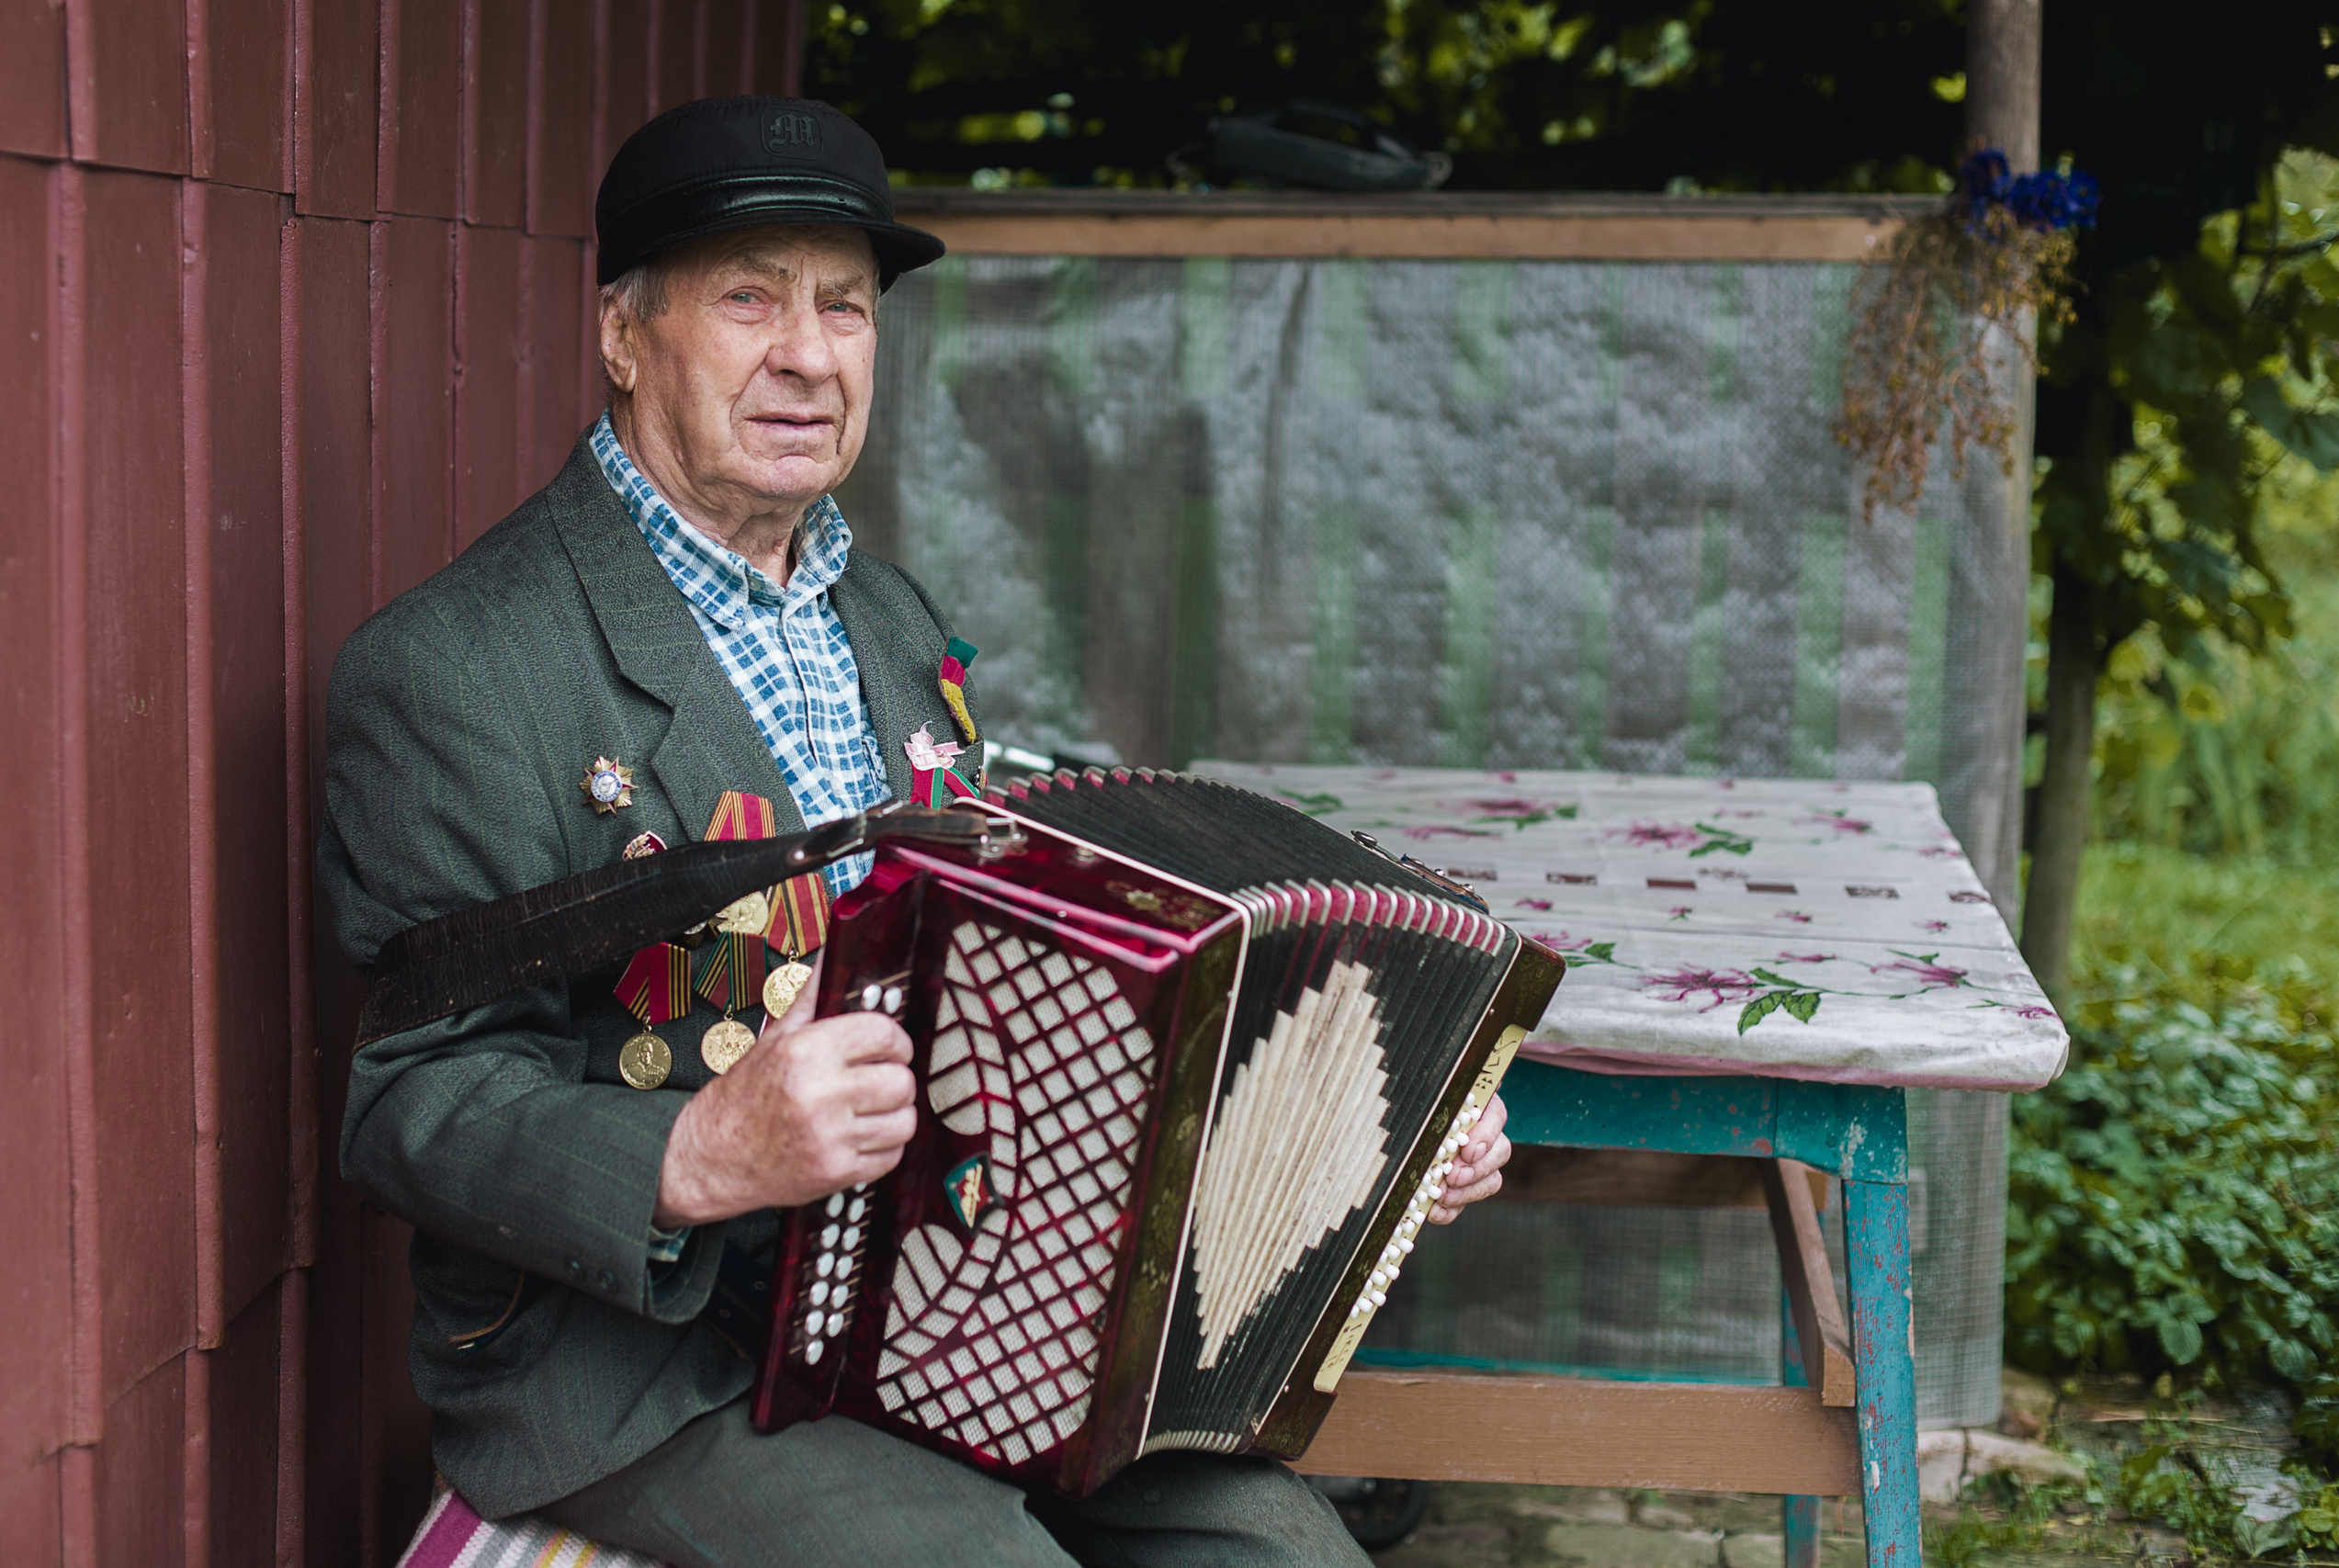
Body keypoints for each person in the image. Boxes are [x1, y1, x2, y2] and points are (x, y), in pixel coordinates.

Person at [320, 96, 1514, 1568]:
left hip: (951, 1301)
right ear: (626, 338)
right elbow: (406, 1105)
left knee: (1287, 1555)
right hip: (650, 1359)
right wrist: (694, 1151)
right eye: (749, 298)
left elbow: (1035, 987)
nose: (809, 355)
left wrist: (1365, 1119)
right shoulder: (455, 667)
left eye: (843, 306)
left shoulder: (890, 621)